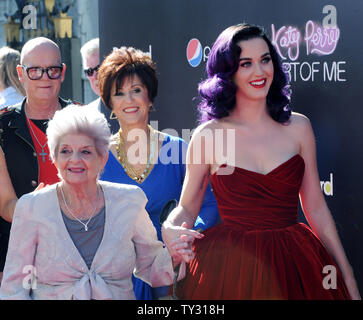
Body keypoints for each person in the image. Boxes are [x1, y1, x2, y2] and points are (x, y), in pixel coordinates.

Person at [161, 23, 361, 300]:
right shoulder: (208, 136)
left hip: (295, 264)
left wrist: (345, 272)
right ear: (227, 73)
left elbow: (315, 207)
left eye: (265, 60)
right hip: (229, 267)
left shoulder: (299, 127)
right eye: (246, 64)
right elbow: (187, 207)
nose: (260, 71)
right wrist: (168, 228)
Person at [0, 105, 189, 299]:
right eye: (65, 151)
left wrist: (174, 253)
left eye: (86, 152)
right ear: (54, 158)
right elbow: (15, 288)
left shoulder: (130, 201)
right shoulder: (31, 208)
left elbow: (151, 266)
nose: (75, 160)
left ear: (103, 158)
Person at [97, 46, 220, 299]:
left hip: (173, 277)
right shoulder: (97, 157)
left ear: (149, 97)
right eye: (119, 94)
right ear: (110, 103)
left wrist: (179, 243)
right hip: (115, 282)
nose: (129, 100)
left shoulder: (178, 150)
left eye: (136, 91)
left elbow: (208, 206)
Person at [0, 37, 77, 281]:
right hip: (20, 261)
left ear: (62, 73)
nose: (44, 78)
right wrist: (38, 206)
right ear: (21, 74)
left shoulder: (83, 121)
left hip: (78, 253)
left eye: (52, 70)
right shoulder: (2, 127)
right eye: (35, 71)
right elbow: (5, 205)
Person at [80, 38, 119, 133]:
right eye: (89, 71)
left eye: (99, 68)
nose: (95, 75)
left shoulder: (132, 107)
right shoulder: (86, 115)